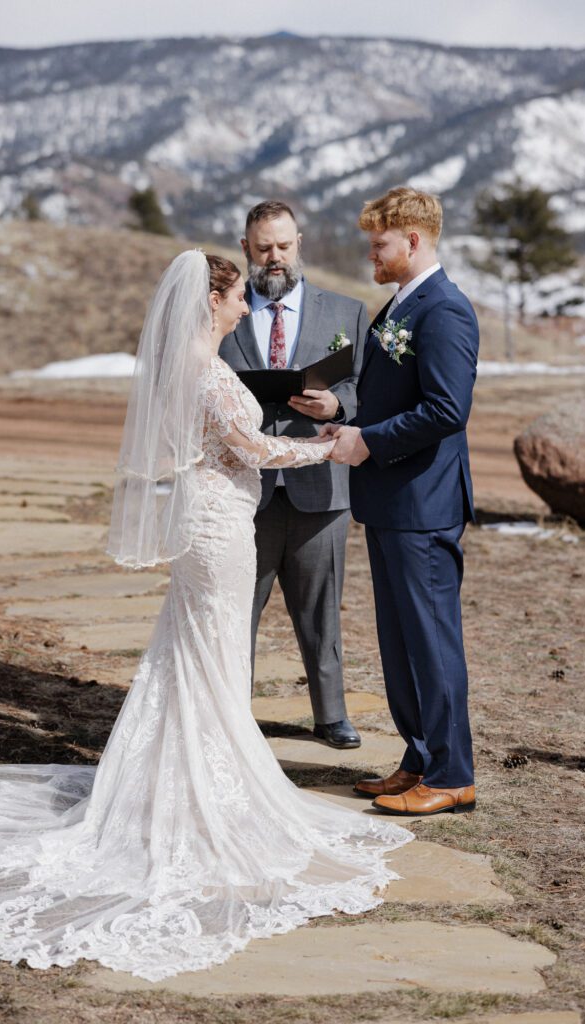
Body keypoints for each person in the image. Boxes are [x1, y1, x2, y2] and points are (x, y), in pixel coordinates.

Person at [0, 250, 410, 981]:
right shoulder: (206, 371)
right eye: (238, 296)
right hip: (217, 531)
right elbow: (248, 446)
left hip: (207, 522)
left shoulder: (193, 359)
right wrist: (332, 448)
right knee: (208, 657)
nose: (246, 307)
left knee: (189, 656)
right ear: (211, 298)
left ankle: (175, 777)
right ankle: (204, 795)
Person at [323, 187, 479, 816]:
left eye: (380, 244)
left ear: (413, 241)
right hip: (389, 500)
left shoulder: (444, 311)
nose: (372, 254)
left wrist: (368, 442)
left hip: (423, 504)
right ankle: (419, 757)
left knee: (432, 641)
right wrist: (343, 417)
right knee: (400, 642)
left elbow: (447, 409)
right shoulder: (397, 308)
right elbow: (389, 396)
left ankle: (452, 774)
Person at [219, 201, 368, 748]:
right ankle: (232, 714)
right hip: (244, 488)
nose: (274, 258)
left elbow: (362, 386)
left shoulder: (347, 312)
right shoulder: (224, 313)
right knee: (236, 610)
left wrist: (336, 407)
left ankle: (332, 716)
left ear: (299, 242)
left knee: (321, 609)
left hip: (322, 487)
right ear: (245, 248)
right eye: (263, 249)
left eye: (283, 246)